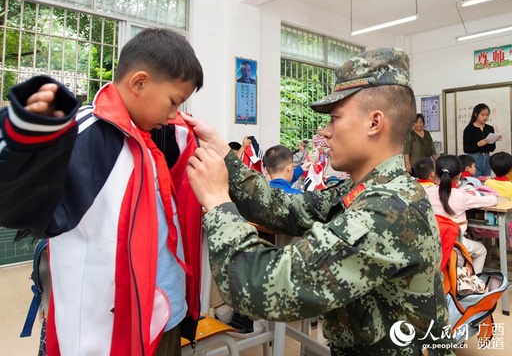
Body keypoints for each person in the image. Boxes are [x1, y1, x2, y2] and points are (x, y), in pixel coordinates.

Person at [185, 48, 453, 354]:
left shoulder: (388, 209)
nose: (324, 133)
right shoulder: (363, 189)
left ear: (374, 122)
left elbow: (263, 285)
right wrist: (223, 154)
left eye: (334, 119)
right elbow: (286, 207)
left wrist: (219, 205)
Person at [0, 28, 204, 355]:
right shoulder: (86, 135)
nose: (172, 116)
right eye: (173, 101)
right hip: (112, 330)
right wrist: (25, 135)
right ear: (139, 83)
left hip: (164, 311)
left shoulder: (152, 138)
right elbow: (17, 202)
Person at [424, 155, 498, 273]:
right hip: (455, 242)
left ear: (435, 174)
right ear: (459, 175)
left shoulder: (427, 192)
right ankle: (472, 282)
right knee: (481, 251)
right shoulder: (461, 195)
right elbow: (493, 200)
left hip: (433, 242)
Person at [463, 103, 497, 177]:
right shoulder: (469, 129)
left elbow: (492, 149)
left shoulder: (489, 128)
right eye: (482, 115)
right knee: (475, 182)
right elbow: (466, 149)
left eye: (487, 115)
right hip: (474, 159)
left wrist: (493, 140)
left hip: (487, 158)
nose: (485, 117)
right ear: (476, 114)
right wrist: (478, 144)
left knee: (486, 182)